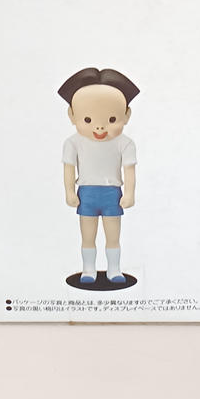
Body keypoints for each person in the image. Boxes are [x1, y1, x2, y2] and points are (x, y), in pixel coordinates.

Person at [58, 67, 139, 283]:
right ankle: (88, 269)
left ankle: (114, 269)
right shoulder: (73, 143)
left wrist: (129, 193)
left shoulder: (125, 143)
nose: (100, 127)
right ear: (72, 115)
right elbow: (69, 168)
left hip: (112, 194)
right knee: (88, 236)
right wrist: (69, 192)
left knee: (113, 236)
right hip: (87, 194)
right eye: (87, 120)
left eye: (112, 119)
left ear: (126, 115)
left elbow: (129, 170)